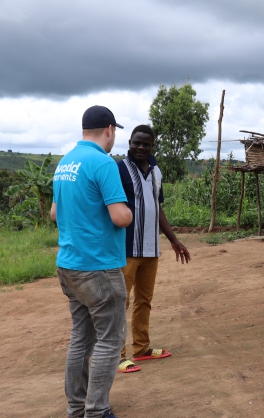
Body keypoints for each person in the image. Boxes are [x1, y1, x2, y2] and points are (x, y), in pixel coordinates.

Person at [51, 105, 132, 418]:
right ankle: (97, 411)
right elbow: (119, 216)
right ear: (110, 130)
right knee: (111, 339)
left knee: (81, 338)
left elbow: (55, 213)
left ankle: (76, 408)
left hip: (68, 265)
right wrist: (130, 212)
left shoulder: (65, 162)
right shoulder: (103, 163)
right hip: (98, 267)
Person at [115, 125, 191, 373]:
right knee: (119, 303)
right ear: (129, 142)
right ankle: (116, 355)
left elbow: (159, 209)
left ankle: (141, 348)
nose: (140, 147)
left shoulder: (156, 171)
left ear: (152, 146)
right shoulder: (118, 169)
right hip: (125, 248)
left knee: (144, 300)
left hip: (150, 249)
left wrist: (173, 239)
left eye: (146, 144)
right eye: (137, 143)